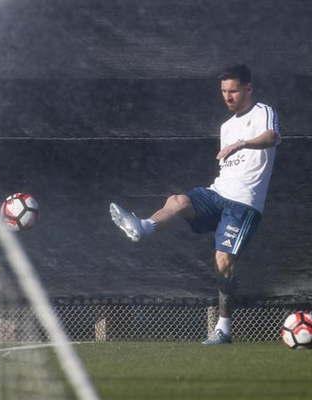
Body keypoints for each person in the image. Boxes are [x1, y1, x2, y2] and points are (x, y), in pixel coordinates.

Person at [109, 64, 280, 345]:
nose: (228, 97)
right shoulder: (226, 126)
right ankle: (144, 227)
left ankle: (223, 329)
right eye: (224, 91)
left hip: (244, 204)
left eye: (233, 90)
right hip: (217, 194)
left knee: (223, 261)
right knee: (178, 200)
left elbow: (271, 138)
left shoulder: (263, 112)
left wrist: (241, 144)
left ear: (248, 88)